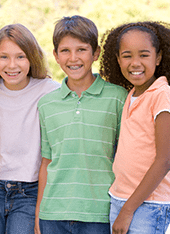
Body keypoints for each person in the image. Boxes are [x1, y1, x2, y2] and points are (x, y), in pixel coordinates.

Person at [35, 15, 128, 234]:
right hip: (53, 214)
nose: (73, 58)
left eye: (81, 50)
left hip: (100, 212)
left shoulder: (118, 98)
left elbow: (126, 156)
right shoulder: (47, 104)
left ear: (95, 53)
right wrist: (39, 213)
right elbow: (47, 161)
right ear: (56, 56)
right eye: (65, 51)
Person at [0, 23, 60, 234]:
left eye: (20, 56)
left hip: (29, 190)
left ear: (32, 58)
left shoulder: (49, 90)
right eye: (4, 57)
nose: (12, 65)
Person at [100, 21, 170, 234]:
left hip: (148, 205)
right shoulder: (132, 93)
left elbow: (165, 159)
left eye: (144, 55)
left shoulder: (161, 95)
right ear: (118, 59)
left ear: (157, 58)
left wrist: (128, 209)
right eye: (127, 55)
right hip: (120, 198)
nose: (135, 63)